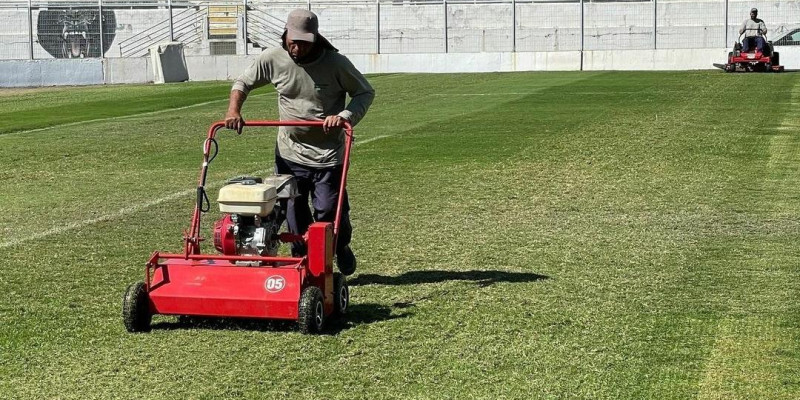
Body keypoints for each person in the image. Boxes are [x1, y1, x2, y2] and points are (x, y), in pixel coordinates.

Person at [224, 9, 375, 276]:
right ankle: (303, 266)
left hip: (328, 154)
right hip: (289, 152)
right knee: (292, 210)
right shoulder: (272, 58)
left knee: (328, 211)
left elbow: (365, 91)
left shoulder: (336, 63)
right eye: (293, 41)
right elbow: (242, 83)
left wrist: (344, 116)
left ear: (315, 39)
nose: (297, 47)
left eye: (304, 42)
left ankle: (341, 246)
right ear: (286, 35)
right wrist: (233, 111)